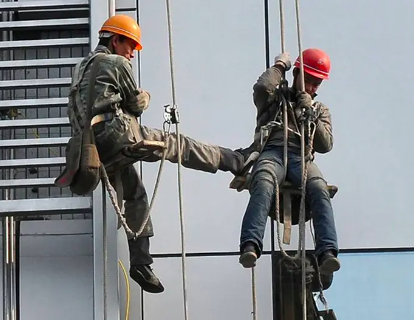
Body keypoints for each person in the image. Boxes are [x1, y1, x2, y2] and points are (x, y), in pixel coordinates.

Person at [63, 14, 254, 294]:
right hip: (117, 134)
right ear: (115, 40)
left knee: (136, 194)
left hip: (90, 148)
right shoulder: (117, 63)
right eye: (130, 46)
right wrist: (147, 96)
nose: (132, 54)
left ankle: (141, 263)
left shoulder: (79, 68)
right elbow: (136, 104)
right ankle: (235, 160)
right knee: (179, 144)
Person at [238, 48, 341, 275]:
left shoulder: (318, 109)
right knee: (264, 182)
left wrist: (308, 113)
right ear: (297, 73)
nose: (312, 88)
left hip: (300, 157)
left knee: (318, 187)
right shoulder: (276, 98)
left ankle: (327, 252)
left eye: (317, 84)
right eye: (309, 80)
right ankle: (250, 244)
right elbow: (262, 88)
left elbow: (325, 145)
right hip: (272, 152)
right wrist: (279, 66)